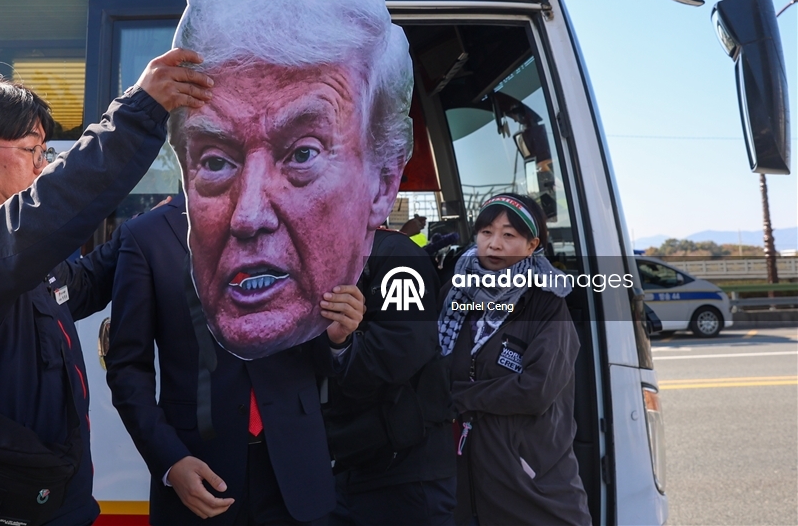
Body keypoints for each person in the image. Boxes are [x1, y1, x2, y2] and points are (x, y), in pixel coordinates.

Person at [0, 50, 213, 526]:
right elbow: (49, 208)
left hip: (30, 500)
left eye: (45, 152)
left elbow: (84, 284)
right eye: (31, 151)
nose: (42, 167)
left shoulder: (4, 256)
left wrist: (159, 224)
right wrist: (140, 111)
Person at [168, 0, 414, 360]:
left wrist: (342, 342)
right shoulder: (157, 253)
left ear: (384, 181)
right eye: (214, 161)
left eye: (302, 154)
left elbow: (405, 365)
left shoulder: (400, 269)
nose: (247, 216)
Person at [106, 193, 364, 525]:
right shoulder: (147, 236)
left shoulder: (304, 227)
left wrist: (337, 338)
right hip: (199, 474)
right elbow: (128, 368)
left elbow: (319, 357)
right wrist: (170, 462)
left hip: (298, 476)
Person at [438, 193, 591, 526]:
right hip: (464, 488)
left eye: (509, 236)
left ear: (531, 244)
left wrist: (460, 397)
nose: (494, 245)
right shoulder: (456, 294)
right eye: (486, 232)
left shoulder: (547, 302)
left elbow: (536, 390)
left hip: (532, 486)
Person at [323, 227, 457, 526]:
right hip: (342, 465)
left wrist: (340, 345)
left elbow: (399, 353)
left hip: (404, 471)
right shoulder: (318, 253)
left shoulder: (397, 254)